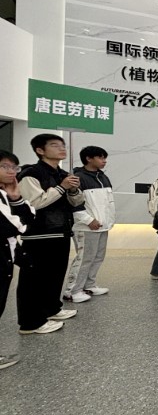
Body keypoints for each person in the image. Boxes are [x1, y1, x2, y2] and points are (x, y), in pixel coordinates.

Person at [16, 134, 84, 334]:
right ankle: (30, 323)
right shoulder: (31, 174)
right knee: (34, 279)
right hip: (39, 234)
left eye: (63, 145)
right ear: (40, 150)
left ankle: (52, 309)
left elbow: (76, 202)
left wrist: (72, 190)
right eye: (55, 145)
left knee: (55, 275)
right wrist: (62, 187)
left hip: (60, 231)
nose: (62, 149)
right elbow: (34, 203)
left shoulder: (62, 174)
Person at [63, 146, 115, 303]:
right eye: (100, 157)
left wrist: (108, 221)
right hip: (86, 227)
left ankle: (89, 285)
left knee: (98, 257)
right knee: (85, 258)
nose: (104, 161)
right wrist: (88, 220)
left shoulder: (103, 177)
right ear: (88, 159)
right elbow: (74, 203)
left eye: (105, 158)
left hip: (102, 225)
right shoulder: (78, 178)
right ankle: (72, 290)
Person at [0, 150, 34, 367]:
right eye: (5, 166)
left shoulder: (5, 193)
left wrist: (16, 198)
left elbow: (28, 218)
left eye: (14, 167)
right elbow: (16, 226)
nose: (11, 171)